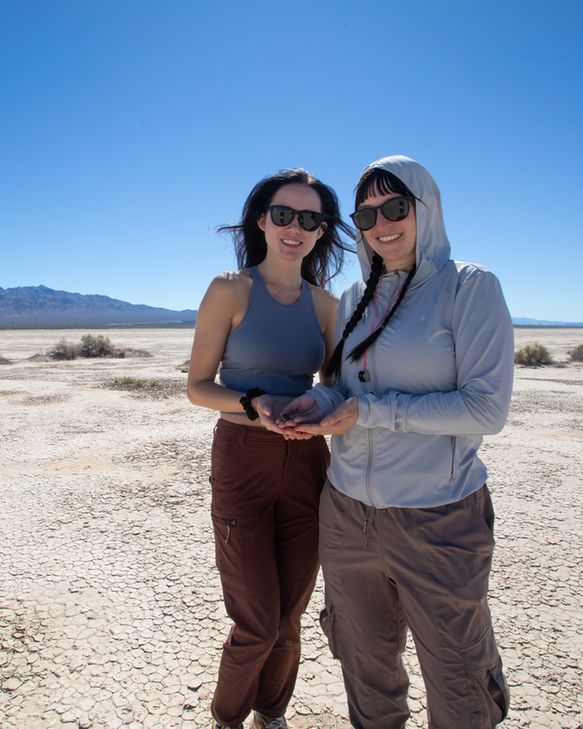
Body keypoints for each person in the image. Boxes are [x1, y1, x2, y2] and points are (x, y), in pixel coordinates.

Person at [277, 155, 514, 729]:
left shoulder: (470, 287)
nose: (381, 223)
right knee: (363, 659)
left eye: (396, 207)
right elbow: (347, 388)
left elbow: (487, 406)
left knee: (457, 670)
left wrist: (371, 412)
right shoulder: (360, 291)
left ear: (424, 209)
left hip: (437, 513)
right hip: (347, 511)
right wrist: (322, 403)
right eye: (366, 214)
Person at [186, 168, 351, 729]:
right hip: (243, 459)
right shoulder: (230, 289)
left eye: (310, 219)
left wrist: (323, 409)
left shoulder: (327, 306)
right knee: (256, 619)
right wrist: (253, 404)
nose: (295, 228)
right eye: (284, 215)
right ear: (263, 221)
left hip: (308, 464)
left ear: (322, 231)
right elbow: (198, 387)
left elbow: (335, 386)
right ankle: (227, 718)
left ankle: (271, 713)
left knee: (289, 615)